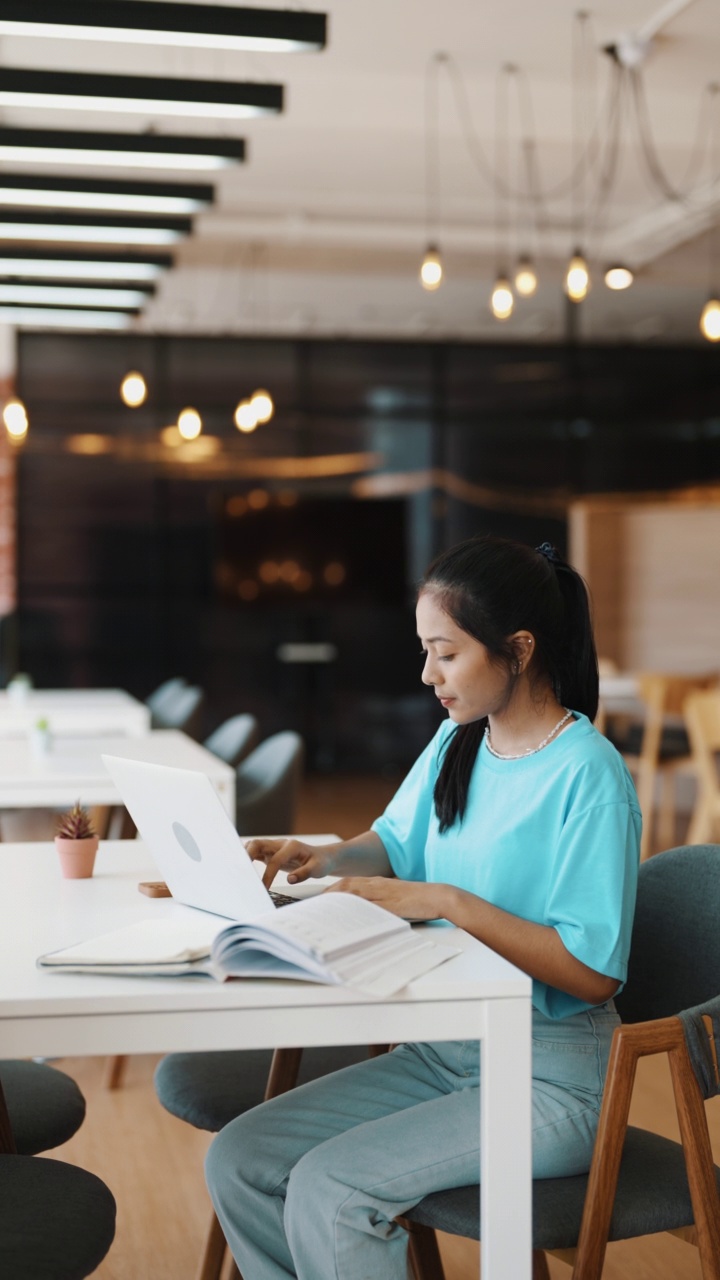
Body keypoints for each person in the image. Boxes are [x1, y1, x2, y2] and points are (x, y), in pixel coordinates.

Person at [205, 533, 641, 1280]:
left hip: (554, 1078)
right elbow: (394, 842)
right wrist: (324, 855)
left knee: (334, 1190)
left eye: (446, 652)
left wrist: (449, 902)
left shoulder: (588, 776)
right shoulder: (458, 741)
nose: (427, 674)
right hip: (444, 1053)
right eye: (424, 650)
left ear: (520, 649)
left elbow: (593, 974)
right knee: (239, 1159)